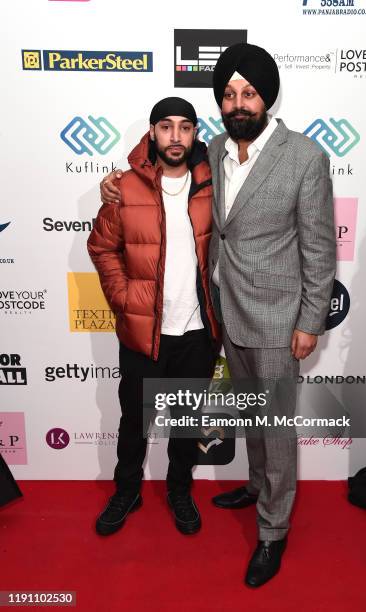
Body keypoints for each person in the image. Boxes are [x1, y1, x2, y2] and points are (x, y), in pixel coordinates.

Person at [99, 44, 336, 586]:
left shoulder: (303, 156)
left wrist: (309, 320)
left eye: (248, 93)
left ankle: (273, 531)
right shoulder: (213, 154)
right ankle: (256, 486)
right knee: (255, 417)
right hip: (224, 316)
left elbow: (320, 249)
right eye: (228, 94)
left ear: (267, 97)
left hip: (279, 320)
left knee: (275, 429)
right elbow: (156, 163)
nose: (238, 103)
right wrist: (114, 184)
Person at [87, 97, 220, 538]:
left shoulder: (215, 184)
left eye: (185, 127)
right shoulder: (123, 187)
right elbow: (101, 247)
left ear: (196, 133)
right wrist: (125, 297)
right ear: (152, 132)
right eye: (166, 127)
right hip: (143, 332)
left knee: (186, 425)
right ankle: (126, 491)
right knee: (133, 421)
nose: (176, 136)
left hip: (199, 332)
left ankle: (179, 490)